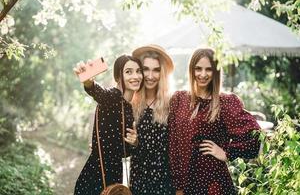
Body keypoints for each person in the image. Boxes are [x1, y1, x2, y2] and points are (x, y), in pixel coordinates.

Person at [168, 48, 261, 195]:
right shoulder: (178, 99)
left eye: (208, 69)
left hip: (214, 183)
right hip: (185, 183)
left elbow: (254, 135)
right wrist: (178, 186)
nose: (203, 74)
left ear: (216, 72)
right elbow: (173, 145)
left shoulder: (225, 102)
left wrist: (226, 152)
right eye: (198, 68)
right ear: (191, 70)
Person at [73, 55, 144, 195]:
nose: (135, 76)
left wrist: (134, 142)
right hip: (96, 175)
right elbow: (98, 92)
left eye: (138, 71)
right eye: (128, 72)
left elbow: (125, 152)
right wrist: (88, 81)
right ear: (118, 77)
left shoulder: (129, 108)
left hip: (114, 175)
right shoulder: (112, 96)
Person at [129, 44, 176, 195]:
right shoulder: (131, 104)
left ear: (162, 73)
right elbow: (124, 146)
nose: (150, 75)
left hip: (165, 182)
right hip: (138, 180)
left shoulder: (173, 103)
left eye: (156, 70)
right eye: (145, 69)